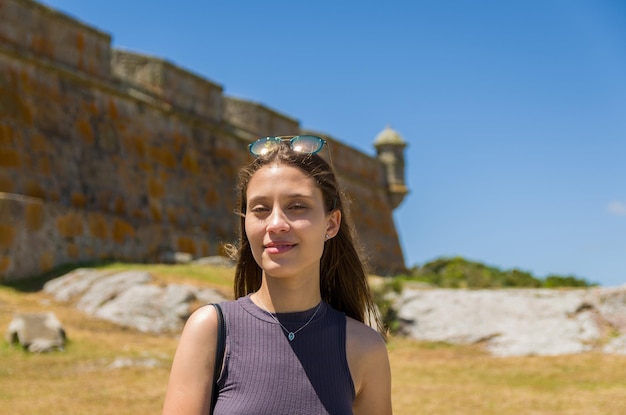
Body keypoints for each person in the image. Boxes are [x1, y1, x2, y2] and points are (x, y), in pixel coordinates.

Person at [162, 135, 392, 415]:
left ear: (331, 224)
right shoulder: (209, 329)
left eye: (297, 206)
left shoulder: (366, 348)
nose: (276, 224)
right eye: (260, 209)